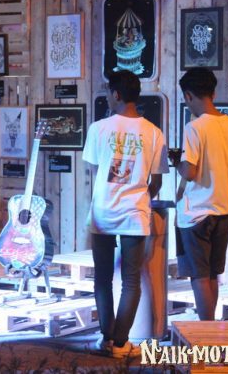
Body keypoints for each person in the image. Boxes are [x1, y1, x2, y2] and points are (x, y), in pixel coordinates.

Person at [82, 70, 168, 358]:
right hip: (135, 213)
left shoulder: (98, 128)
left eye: (109, 92)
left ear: (116, 94)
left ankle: (107, 338)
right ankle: (121, 344)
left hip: (103, 212)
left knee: (103, 278)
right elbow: (157, 182)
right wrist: (140, 195)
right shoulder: (154, 133)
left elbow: (95, 171)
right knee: (131, 281)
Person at [175, 67, 228, 321]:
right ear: (213, 93)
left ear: (188, 96)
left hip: (197, 212)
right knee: (213, 275)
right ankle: (211, 330)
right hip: (225, 209)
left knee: (199, 275)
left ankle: (205, 332)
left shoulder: (194, 128)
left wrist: (177, 162)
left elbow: (190, 172)